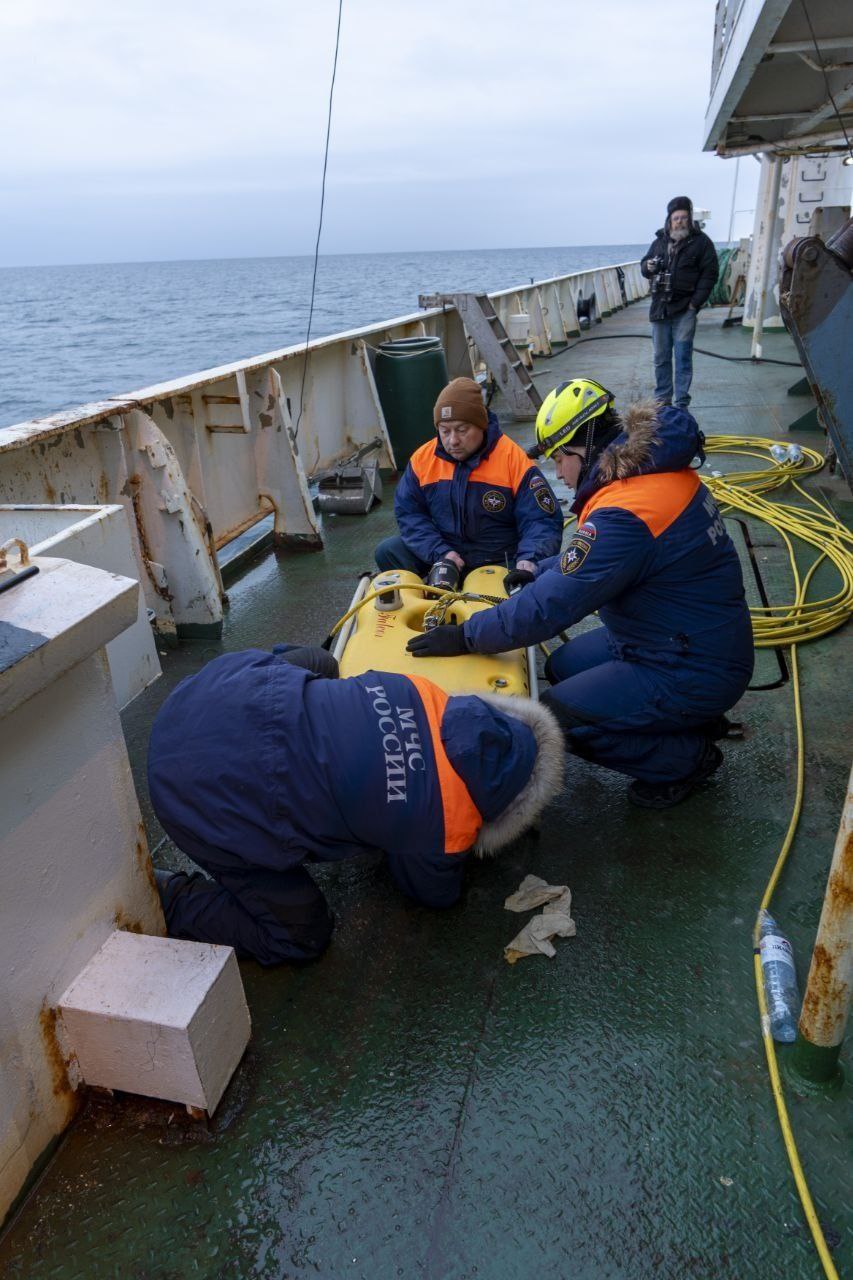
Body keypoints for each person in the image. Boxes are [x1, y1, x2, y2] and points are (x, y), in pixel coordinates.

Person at [406, 379, 754, 809]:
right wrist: (539, 571)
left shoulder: (628, 512)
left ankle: (685, 759)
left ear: (582, 450)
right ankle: (688, 722)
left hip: (689, 662)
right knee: (564, 666)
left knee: (553, 718)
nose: (560, 474)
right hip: (676, 634)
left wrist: (466, 636)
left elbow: (552, 607)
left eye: (559, 460)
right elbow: (583, 563)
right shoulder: (652, 472)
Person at [148, 644, 563, 965]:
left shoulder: (419, 690)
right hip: (196, 801)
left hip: (205, 697)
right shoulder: (446, 825)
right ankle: (173, 897)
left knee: (321, 664)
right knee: (302, 937)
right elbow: (433, 893)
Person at [375, 376, 562, 594]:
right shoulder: (422, 460)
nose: (453, 440)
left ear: (481, 425)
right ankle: (427, 599)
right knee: (388, 551)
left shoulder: (514, 460)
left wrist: (529, 561)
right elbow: (410, 514)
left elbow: (541, 520)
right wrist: (441, 553)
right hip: (447, 553)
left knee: (532, 576)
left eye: (462, 430)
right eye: (444, 431)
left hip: (500, 557)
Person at [641, 196, 718, 410]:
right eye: (676, 218)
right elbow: (643, 267)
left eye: (684, 217)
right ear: (669, 221)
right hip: (660, 309)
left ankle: (682, 402)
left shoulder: (702, 243)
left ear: (690, 219)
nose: (680, 222)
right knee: (660, 357)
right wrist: (648, 266)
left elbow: (710, 274)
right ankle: (663, 400)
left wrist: (695, 304)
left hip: (685, 310)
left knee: (683, 357)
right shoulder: (659, 242)